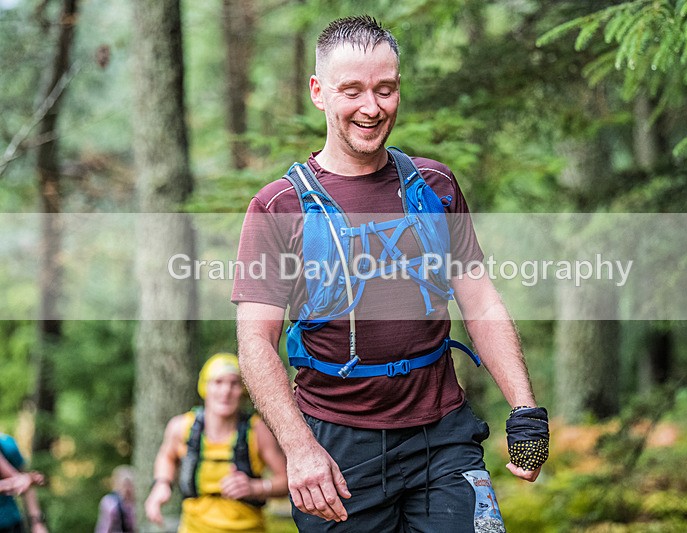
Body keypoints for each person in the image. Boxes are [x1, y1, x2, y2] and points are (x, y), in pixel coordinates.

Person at [233, 15, 550, 532]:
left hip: (443, 436)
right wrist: (299, 449)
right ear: (318, 91)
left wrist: (525, 409)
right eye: (352, 90)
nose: (371, 107)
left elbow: (480, 301)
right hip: (336, 450)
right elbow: (255, 342)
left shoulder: (435, 185)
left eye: (385, 89)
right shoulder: (279, 206)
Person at [144, 353, 289, 532]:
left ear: (242, 389)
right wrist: (162, 484)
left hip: (247, 528)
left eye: (234, 383)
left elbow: (287, 481)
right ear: (205, 386)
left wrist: (255, 487)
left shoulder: (257, 430)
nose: (225, 391)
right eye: (218, 382)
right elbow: (167, 455)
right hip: (193, 527)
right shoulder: (181, 427)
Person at [0, 433, 47, 533]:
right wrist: (11, 484)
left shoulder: (7, 445)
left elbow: (23, 482)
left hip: (10, 524)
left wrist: (37, 523)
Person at [94, 465, 136, 533]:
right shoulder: (110, 502)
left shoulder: (135, 503)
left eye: (130, 484)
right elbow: (104, 527)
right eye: (125, 484)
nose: (128, 488)